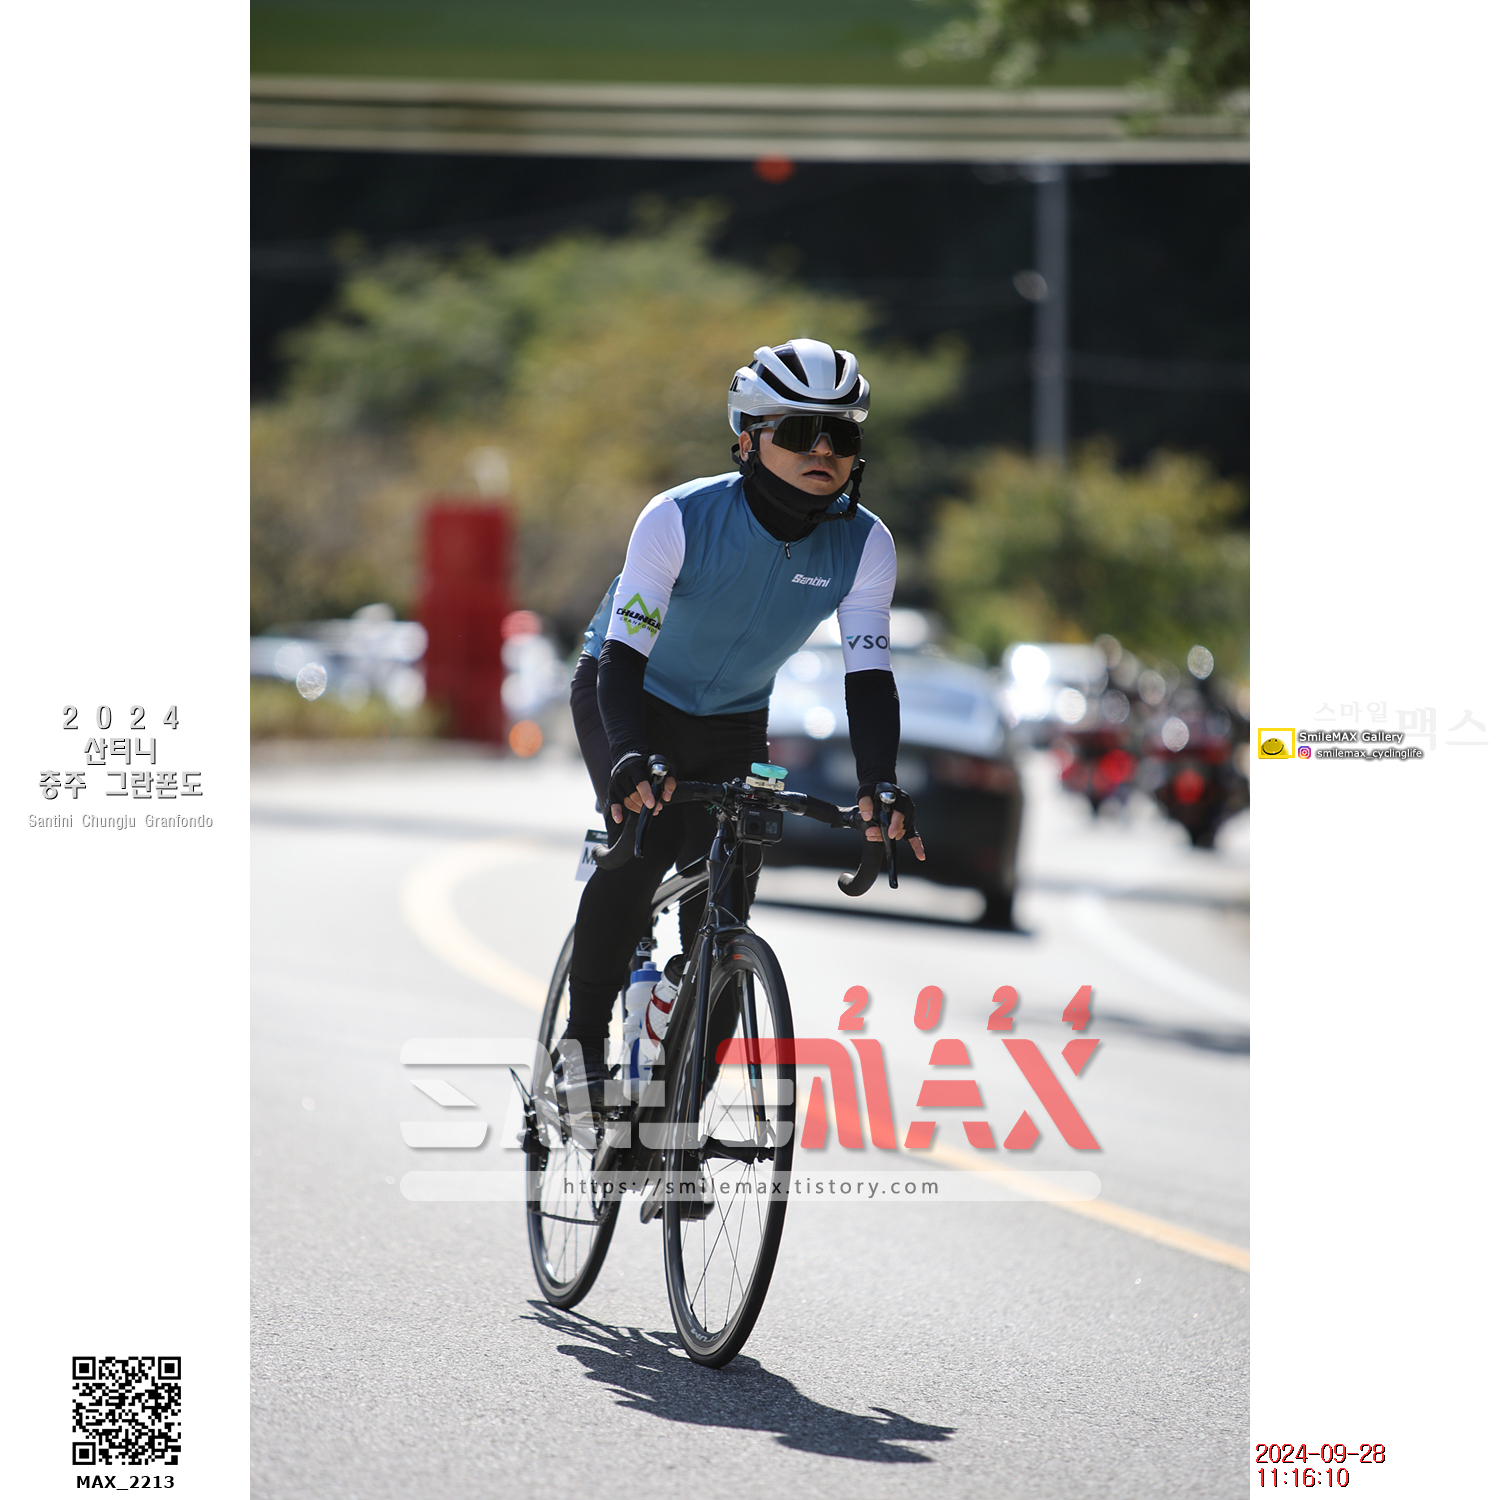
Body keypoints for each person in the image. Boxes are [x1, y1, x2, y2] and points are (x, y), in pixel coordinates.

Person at [561, 338, 925, 1116]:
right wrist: (629, 757)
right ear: (748, 439)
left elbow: (869, 678)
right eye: (798, 432)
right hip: (629, 692)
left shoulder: (867, 545)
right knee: (642, 845)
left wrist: (879, 785)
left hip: (732, 719)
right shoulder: (677, 518)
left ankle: (674, 1123)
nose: (822, 451)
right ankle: (580, 1046)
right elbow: (622, 659)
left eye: (840, 435)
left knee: (725, 910)